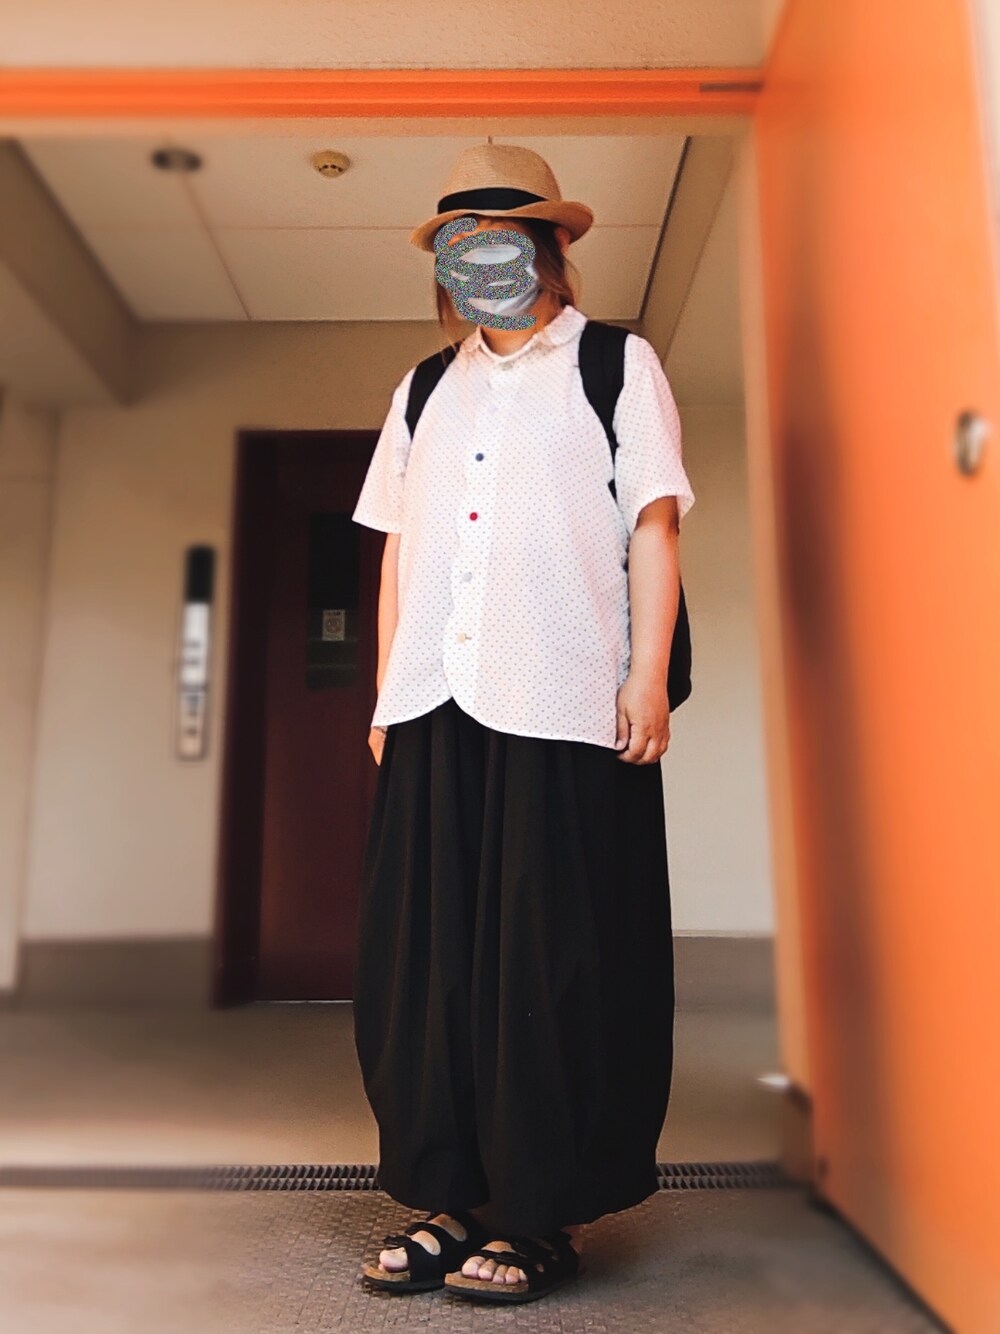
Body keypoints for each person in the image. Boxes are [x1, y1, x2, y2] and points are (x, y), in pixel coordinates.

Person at [350, 142, 696, 1305]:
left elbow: (652, 524)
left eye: (499, 239)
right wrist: (385, 693)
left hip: (562, 700)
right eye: (458, 247)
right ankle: (451, 1194)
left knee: (552, 961)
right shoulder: (422, 388)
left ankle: (544, 1211)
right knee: (431, 963)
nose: (478, 261)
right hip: (432, 700)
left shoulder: (613, 364)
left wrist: (645, 675)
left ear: (548, 249)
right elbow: (398, 545)